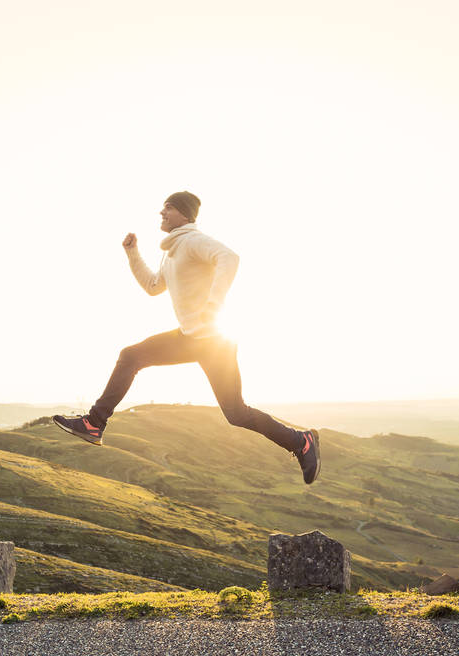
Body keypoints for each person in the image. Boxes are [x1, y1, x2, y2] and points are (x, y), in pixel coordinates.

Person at [53, 191, 321, 484]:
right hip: (189, 338)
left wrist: (213, 306)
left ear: (183, 213)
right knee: (131, 356)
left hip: (213, 342)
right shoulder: (172, 252)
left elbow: (229, 258)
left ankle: (301, 441)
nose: (161, 213)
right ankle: (94, 423)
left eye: (167, 208)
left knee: (236, 413)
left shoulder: (193, 241)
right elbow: (154, 286)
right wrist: (132, 254)